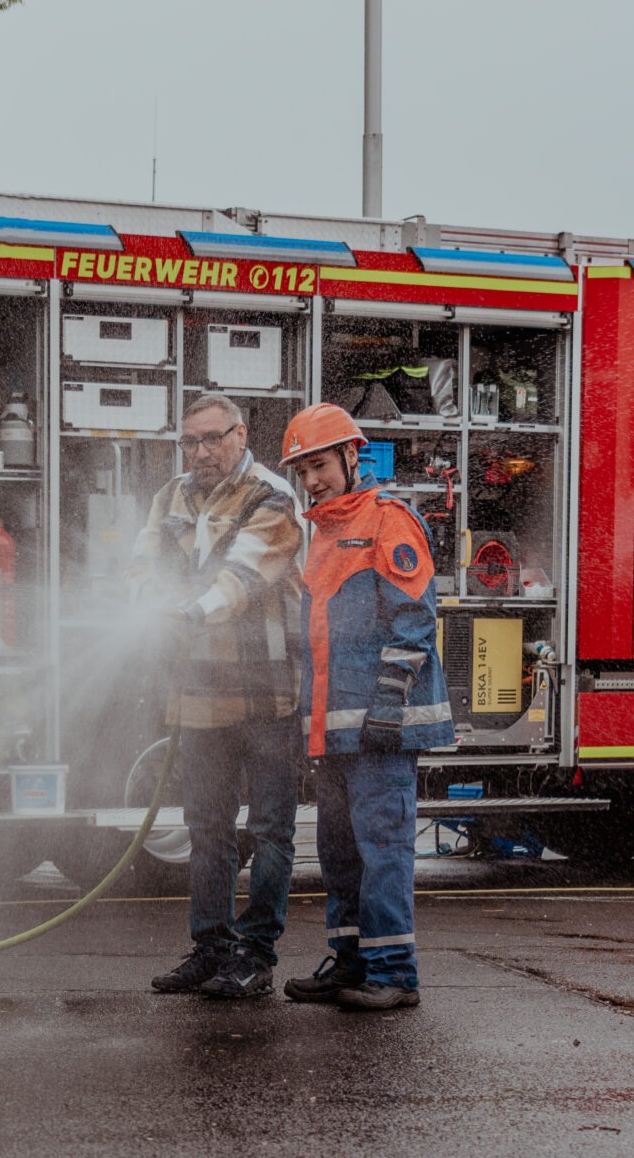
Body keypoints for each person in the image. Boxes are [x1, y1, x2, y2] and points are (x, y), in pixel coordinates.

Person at [280, 403, 454, 1011]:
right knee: (340, 850)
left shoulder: (388, 520)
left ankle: (395, 973)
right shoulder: (324, 531)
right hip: (337, 730)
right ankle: (352, 961)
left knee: (382, 849)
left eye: (320, 466)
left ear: (353, 456)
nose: (312, 481)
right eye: (303, 471)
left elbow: (413, 621)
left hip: (381, 728)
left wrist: (388, 704)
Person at [133, 395, 306, 1000]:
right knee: (206, 827)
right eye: (190, 441)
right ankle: (211, 949)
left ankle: (256, 956)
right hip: (198, 694)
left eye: (212, 439)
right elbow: (142, 565)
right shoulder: (171, 497)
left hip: (267, 695)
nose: (200, 452)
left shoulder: (273, 498)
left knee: (270, 829)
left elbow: (244, 577)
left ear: (241, 434)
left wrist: (186, 613)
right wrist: (146, 604)